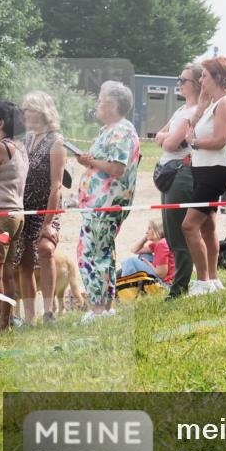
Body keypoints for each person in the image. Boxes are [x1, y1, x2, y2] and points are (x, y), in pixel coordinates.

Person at [76, 82, 140, 321]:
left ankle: (99, 309)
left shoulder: (120, 131)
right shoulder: (110, 129)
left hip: (105, 204)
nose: (97, 104)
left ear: (113, 104)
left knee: (92, 255)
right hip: (98, 204)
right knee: (101, 254)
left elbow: (116, 167)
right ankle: (104, 307)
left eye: (101, 100)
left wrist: (90, 162)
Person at [182, 57, 226, 296]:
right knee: (207, 226)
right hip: (203, 169)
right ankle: (213, 279)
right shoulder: (212, 104)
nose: (200, 80)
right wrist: (200, 108)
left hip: (215, 170)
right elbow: (191, 128)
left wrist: (194, 143)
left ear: (218, 78)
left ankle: (202, 280)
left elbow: (218, 140)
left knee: (189, 225)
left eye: (204, 75)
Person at [15, 91, 67, 324]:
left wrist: (48, 222)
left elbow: (56, 186)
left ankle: (48, 312)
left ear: (42, 112)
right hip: (24, 206)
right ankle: (29, 316)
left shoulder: (56, 141)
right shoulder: (25, 139)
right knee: (25, 260)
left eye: (29, 109)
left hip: (46, 206)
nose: (25, 114)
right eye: (24, 109)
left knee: (45, 250)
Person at [153, 63, 202, 299]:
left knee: (177, 232)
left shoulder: (194, 112)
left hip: (182, 173)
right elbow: (159, 136)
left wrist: (167, 138)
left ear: (197, 84)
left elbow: (171, 144)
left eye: (184, 80)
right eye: (179, 79)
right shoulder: (181, 110)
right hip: (170, 172)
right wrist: (167, 137)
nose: (179, 84)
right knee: (170, 234)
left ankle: (180, 287)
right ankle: (179, 283)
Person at [0, 101, 28, 333]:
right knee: (8, 273)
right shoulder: (19, 147)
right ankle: (4, 322)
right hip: (16, 215)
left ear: (1, 123)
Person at [120, 220, 175, 286]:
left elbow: (162, 275)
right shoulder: (157, 243)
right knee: (144, 255)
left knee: (130, 261)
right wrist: (146, 237)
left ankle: (124, 287)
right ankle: (124, 281)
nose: (146, 232)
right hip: (161, 277)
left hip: (165, 284)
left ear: (157, 230)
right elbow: (134, 250)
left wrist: (149, 264)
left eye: (149, 229)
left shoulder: (162, 244)